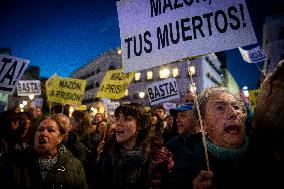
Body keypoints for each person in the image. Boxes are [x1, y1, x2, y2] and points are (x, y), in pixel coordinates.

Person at [166, 87, 283, 189]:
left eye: (236, 107)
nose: (233, 113)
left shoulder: (266, 152)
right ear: (202, 124)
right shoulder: (186, 164)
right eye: (220, 108)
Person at [96, 103, 173, 189]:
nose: (118, 123)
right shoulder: (109, 153)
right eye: (117, 119)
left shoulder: (157, 156)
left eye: (127, 119)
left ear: (139, 125)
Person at [0, 115, 89, 189]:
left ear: (60, 138)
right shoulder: (15, 162)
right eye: (40, 129)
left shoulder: (74, 165)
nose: (43, 133)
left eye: (51, 130)